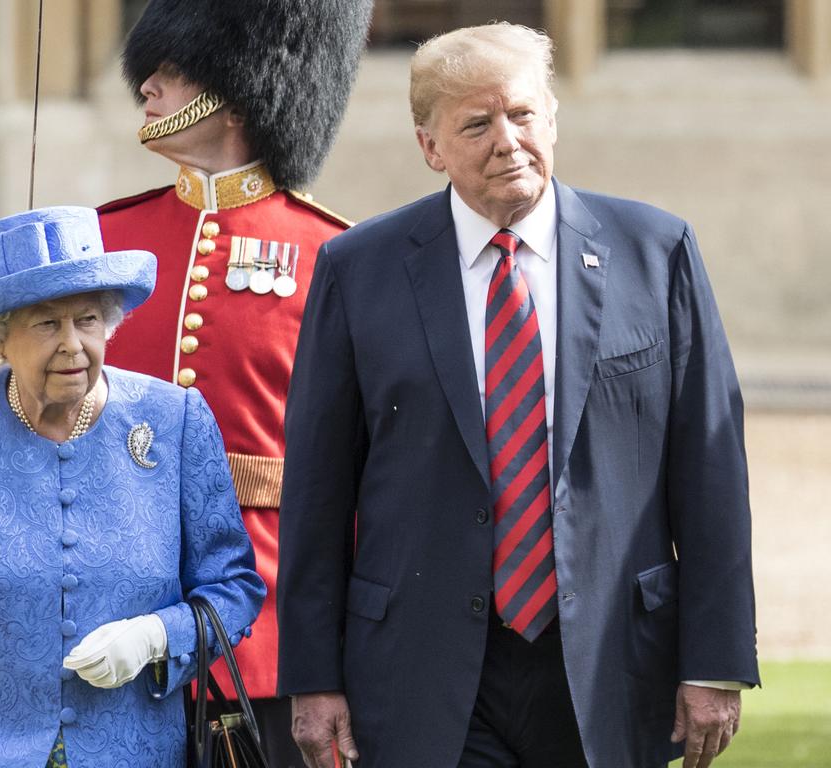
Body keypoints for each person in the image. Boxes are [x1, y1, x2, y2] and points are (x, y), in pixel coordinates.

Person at [277, 23, 759, 768]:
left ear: (553, 119)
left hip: (608, 663)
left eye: (523, 114)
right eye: (476, 123)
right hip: (421, 666)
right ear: (429, 147)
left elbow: (711, 469)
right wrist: (312, 678)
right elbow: (317, 488)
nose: (507, 140)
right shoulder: (357, 270)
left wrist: (715, 658)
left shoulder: (656, 253)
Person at [0, 206, 265, 767]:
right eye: (46, 323)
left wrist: (157, 637)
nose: (72, 344)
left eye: (87, 319)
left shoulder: (175, 421)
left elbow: (233, 589)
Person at [97, 1, 373, 764]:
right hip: (109, 612)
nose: (146, 86)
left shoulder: (335, 256)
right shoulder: (106, 243)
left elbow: (359, 473)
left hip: (266, 628)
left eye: (173, 70)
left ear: (236, 87)